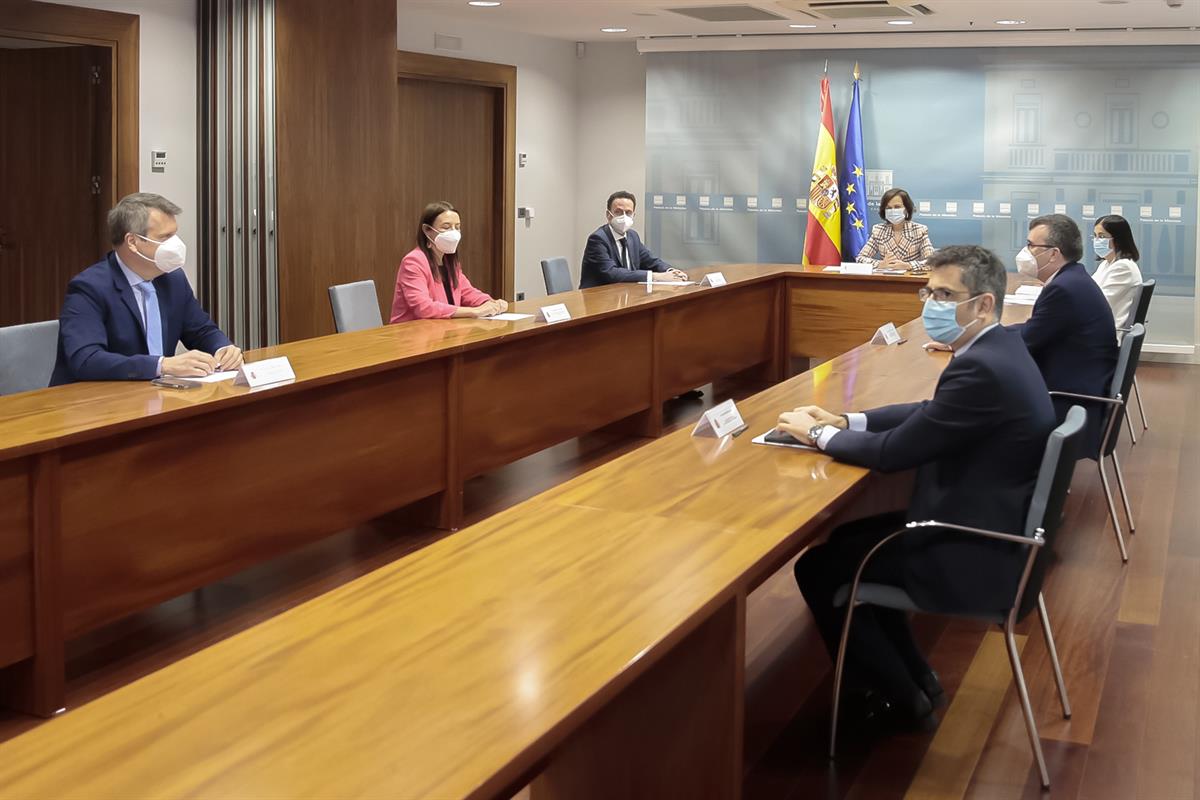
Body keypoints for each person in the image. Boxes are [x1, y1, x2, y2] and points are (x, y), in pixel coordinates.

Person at [776, 245, 1055, 732]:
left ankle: (899, 695)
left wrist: (817, 435)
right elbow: (932, 414)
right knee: (843, 543)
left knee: (818, 569)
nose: (931, 302)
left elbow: (892, 456)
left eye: (945, 294)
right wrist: (848, 419)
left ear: (984, 304)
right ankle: (916, 679)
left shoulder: (980, 366)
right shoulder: (999, 348)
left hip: (970, 546)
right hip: (994, 524)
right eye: (929, 291)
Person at [50, 193, 241, 385]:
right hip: (93, 403)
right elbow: (86, 360)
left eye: (174, 234)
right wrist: (162, 366)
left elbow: (201, 330)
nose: (176, 245)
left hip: (155, 395)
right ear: (132, 242)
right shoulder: (89, 287)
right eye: (165, 237)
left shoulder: (173, 278)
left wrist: (222, 348)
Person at [1009, 214, 1118, 456]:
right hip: (1081, 381)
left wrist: (975, 340)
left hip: (1070, 396)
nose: (1025, 252)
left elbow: (1027, 341)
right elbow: (1033, 330)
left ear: (1053, 254)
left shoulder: (1064, 289)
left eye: (1031, 245)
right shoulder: (1073, 279)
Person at [390, 201, 508, 323]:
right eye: (446, 227)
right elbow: (423, 307)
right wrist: (474, 311)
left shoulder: (450, 261)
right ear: (427, 230)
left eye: (457, 227)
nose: (454, 232)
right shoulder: (413, 262)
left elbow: (467, 292)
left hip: (442, 330)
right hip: (411, 335)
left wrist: (490, 303)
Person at [580, 191, 688, 288]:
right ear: (608, 215)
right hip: (598, 300)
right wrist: (656, 276)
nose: (624, 216)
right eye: (618, 212)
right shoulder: (598, 239)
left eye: (628, 212)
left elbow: (650, 260)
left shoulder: (632, 236)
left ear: (633, 215)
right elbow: (612, 273)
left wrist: (671, 271)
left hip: (625, 295)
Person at [855, 188, 934, 272]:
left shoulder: (919, 230)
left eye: (897, 207)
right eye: (888, 208)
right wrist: (880, 264)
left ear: (906, 209)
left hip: (911, 281)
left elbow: (933, 262)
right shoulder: (879, 231)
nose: (893, 211)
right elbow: (860, 258)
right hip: (886, 281)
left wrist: (908, 265)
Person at [1091, 214, 1144, 331]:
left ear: (1118, 239)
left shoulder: (1123, 267)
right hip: (1099, 329)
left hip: (1108, 334)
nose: (1097, 240)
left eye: (1102, 236)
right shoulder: (1106, 264)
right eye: (1095, 236)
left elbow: (1097, 304)